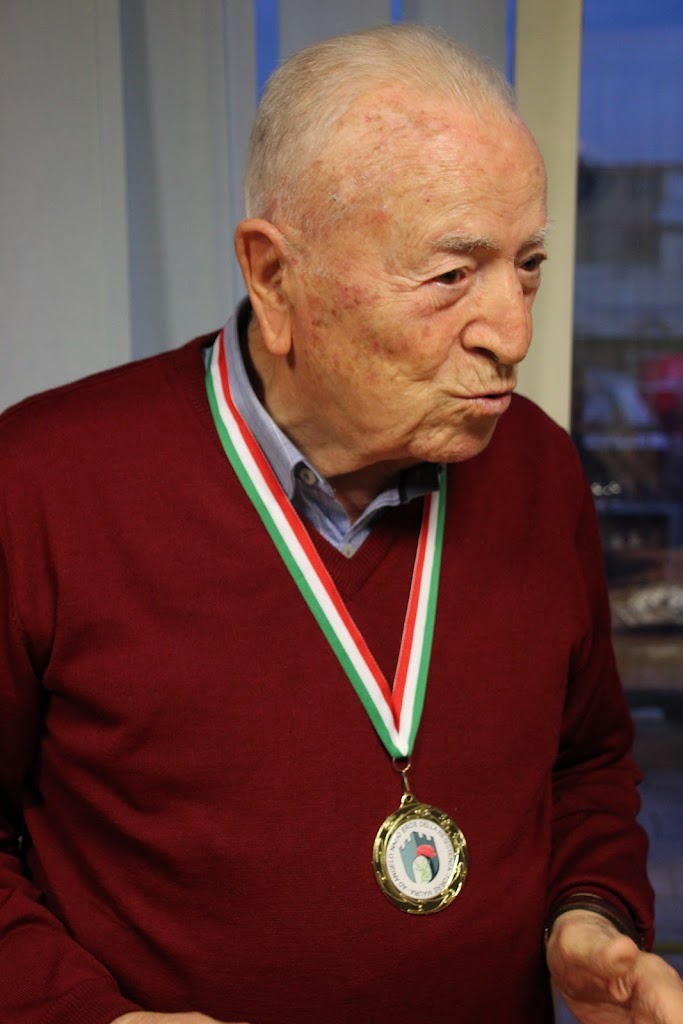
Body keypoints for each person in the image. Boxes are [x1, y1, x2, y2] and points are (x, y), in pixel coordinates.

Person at [0, 23, 681, 1024]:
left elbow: (585, 764)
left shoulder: (536, 465)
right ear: (275, 278)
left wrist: (586, 914)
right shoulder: (40, 482)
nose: (513, 333)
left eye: (527, 264)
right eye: (451, 275)